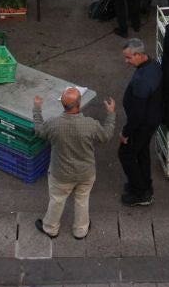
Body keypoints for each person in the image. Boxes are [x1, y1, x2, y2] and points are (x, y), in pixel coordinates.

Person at [32, 88, 117, 241]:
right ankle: (80, 230)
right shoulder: (90, 125)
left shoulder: (53, 124)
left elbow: (39, 131)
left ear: (63, 105)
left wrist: (37, 109)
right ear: (79, 103)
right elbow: (106, 136)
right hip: (86, 173)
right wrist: (111, 114)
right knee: (82, 199)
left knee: (57, 199)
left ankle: (51, 229)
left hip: (61, 174)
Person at [118, 38, 163, 207]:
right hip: (152, 120)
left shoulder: (142, 80)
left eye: (128, 57)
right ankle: (145, 184)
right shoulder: (153, 66)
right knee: (142, 151)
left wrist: (125, 133)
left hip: (142, 124)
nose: (126, 61)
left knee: (126, 154)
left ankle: (140, 193)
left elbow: (137, 114)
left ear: (138, 55)